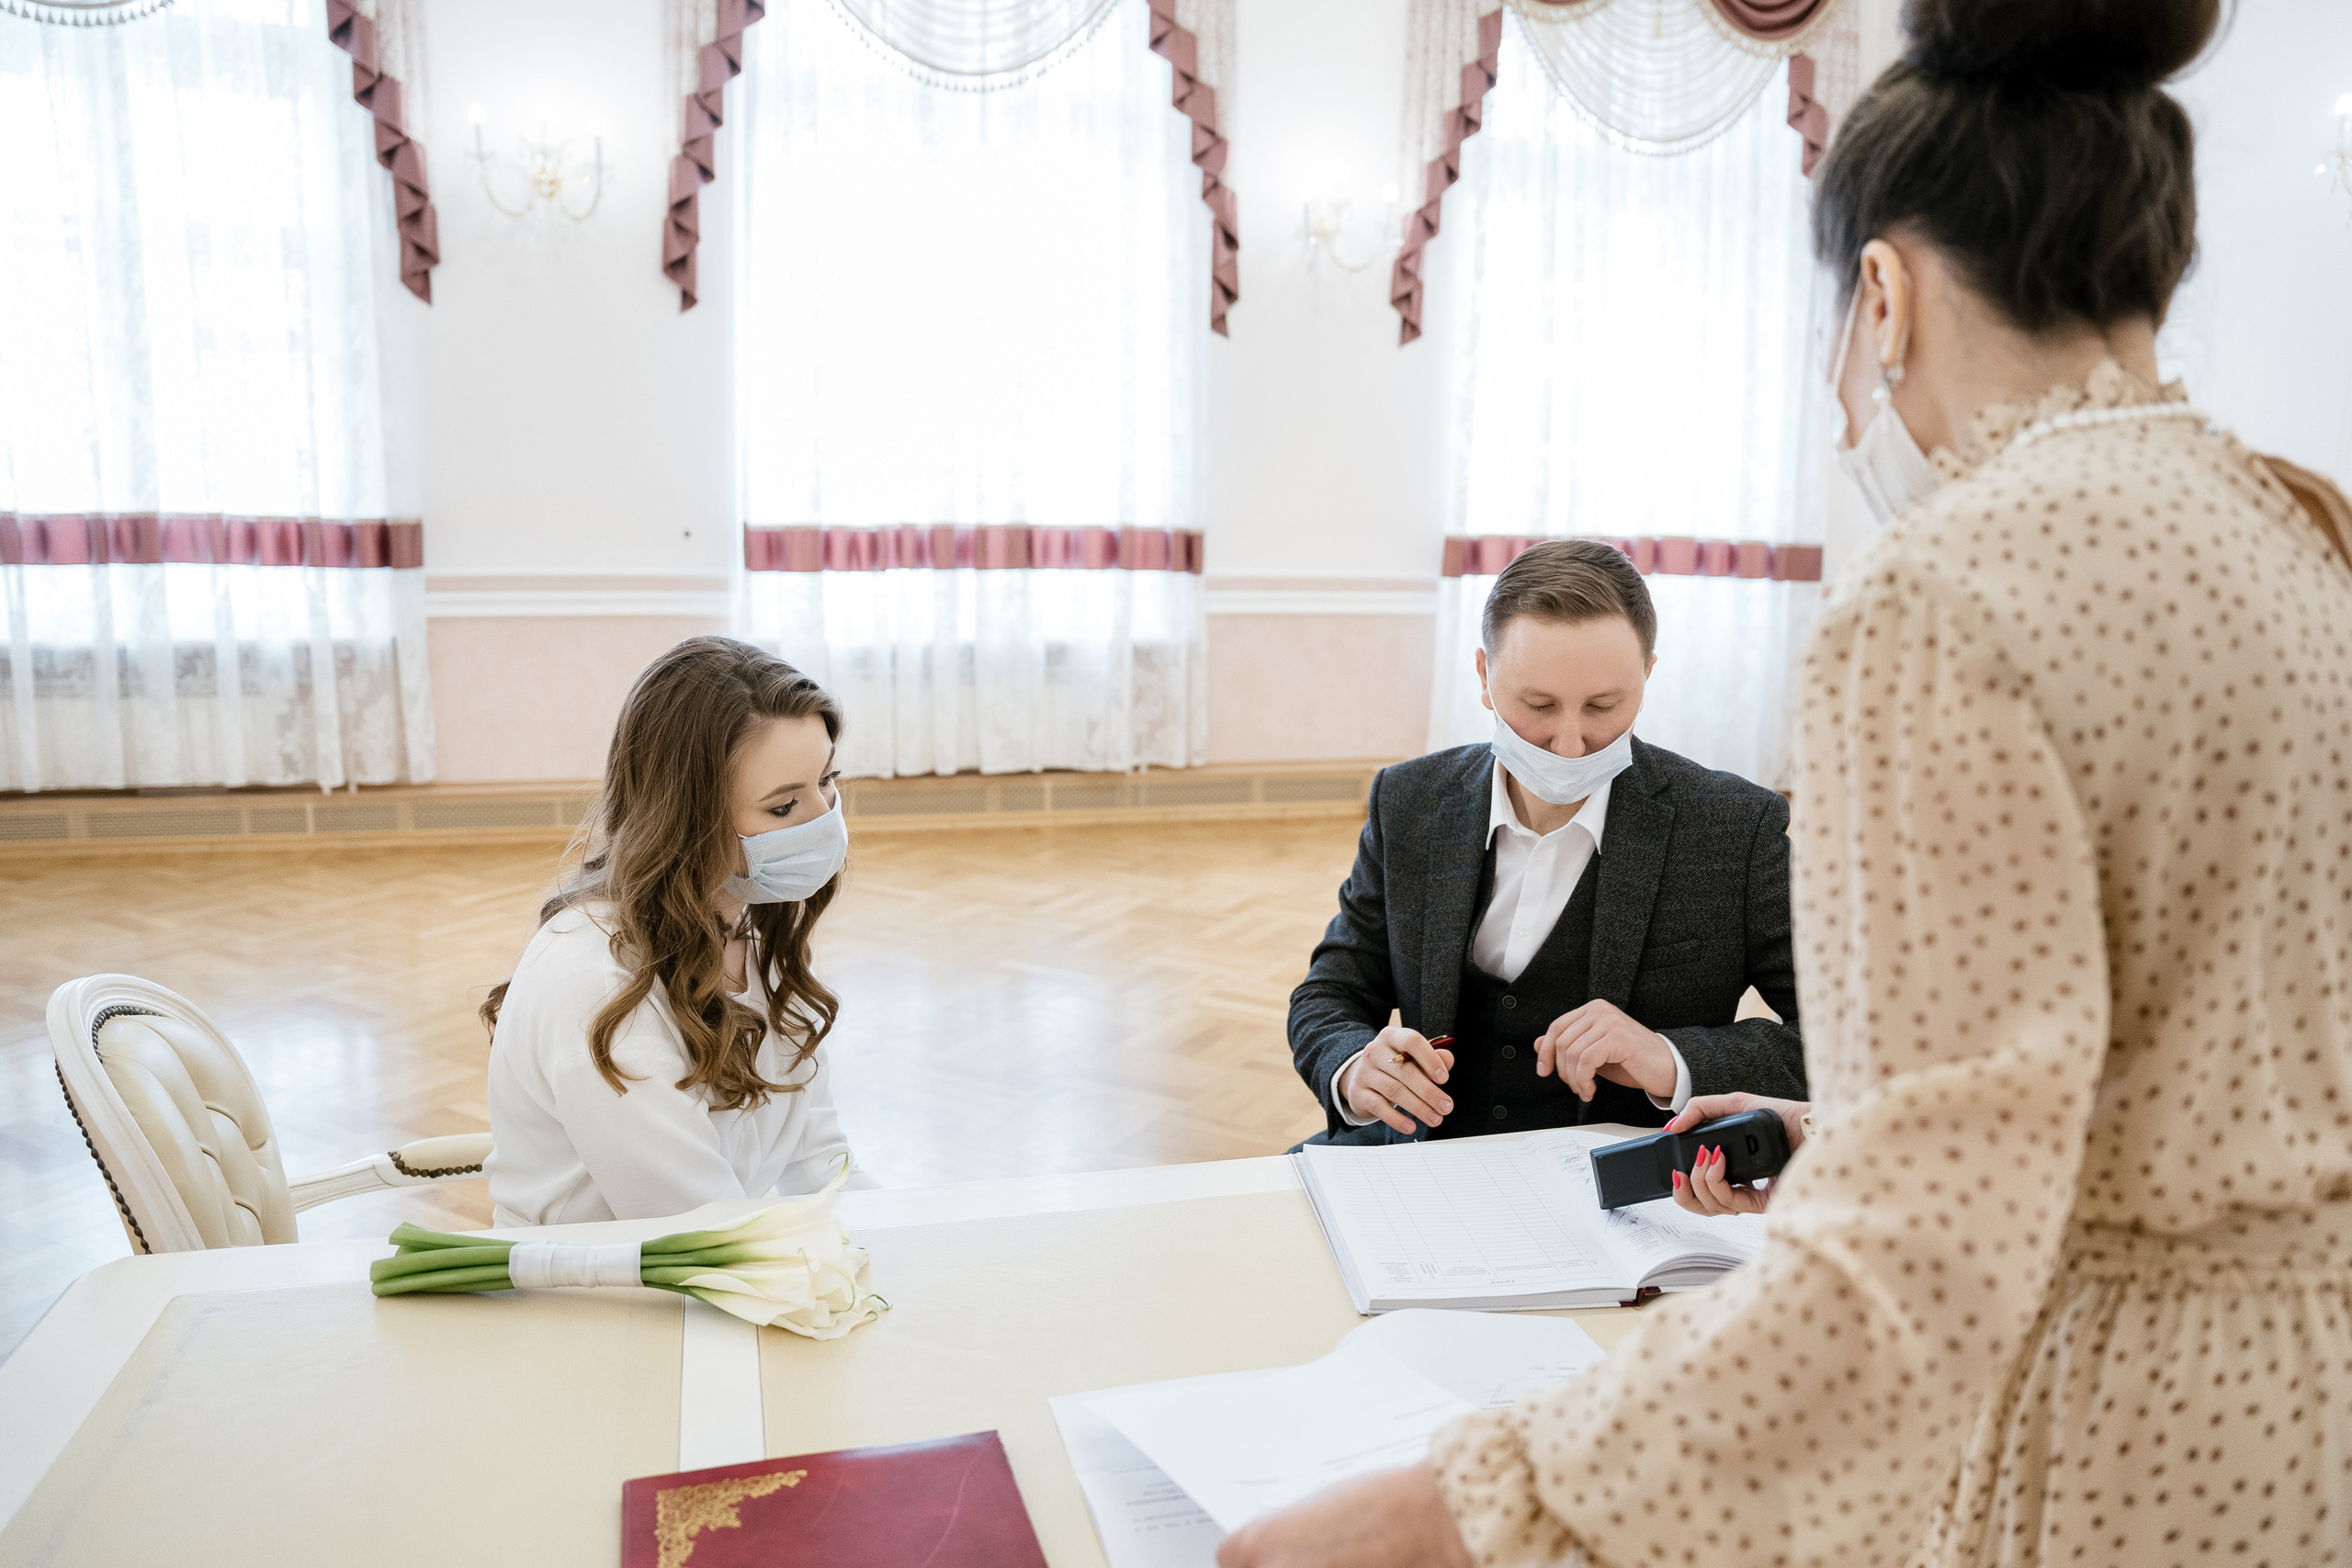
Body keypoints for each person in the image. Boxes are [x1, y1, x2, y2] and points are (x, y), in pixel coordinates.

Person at [1220, 1, 2352, 1563]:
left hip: (2118, 1426)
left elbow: (1925, 1258)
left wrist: (1468, 1507)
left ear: (1880, 296)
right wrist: (1822, 1131)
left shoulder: (1953, 585)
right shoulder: (2302, 532)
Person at [1287, 537, 1804, 1145]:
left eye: (1604, 705)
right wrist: (1354, 1068)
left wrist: (1669, 1058)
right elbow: (1333, 991)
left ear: (1648, 674)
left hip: (1632, 1185)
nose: (1569, 742)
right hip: (1421, 1163)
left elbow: (1846, 1038)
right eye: (1537, 704)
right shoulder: (1410, 800)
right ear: (1484, 676)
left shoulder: (1734, 829)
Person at [481, 637, 870, 1225]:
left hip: (730, 1263)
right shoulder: (598, 990)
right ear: (688, 818)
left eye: (827, 780)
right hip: (610, 1300)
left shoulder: (745, 927)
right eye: (784, 809)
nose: (826, 819)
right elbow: (703, 1231)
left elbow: (821, 1166)